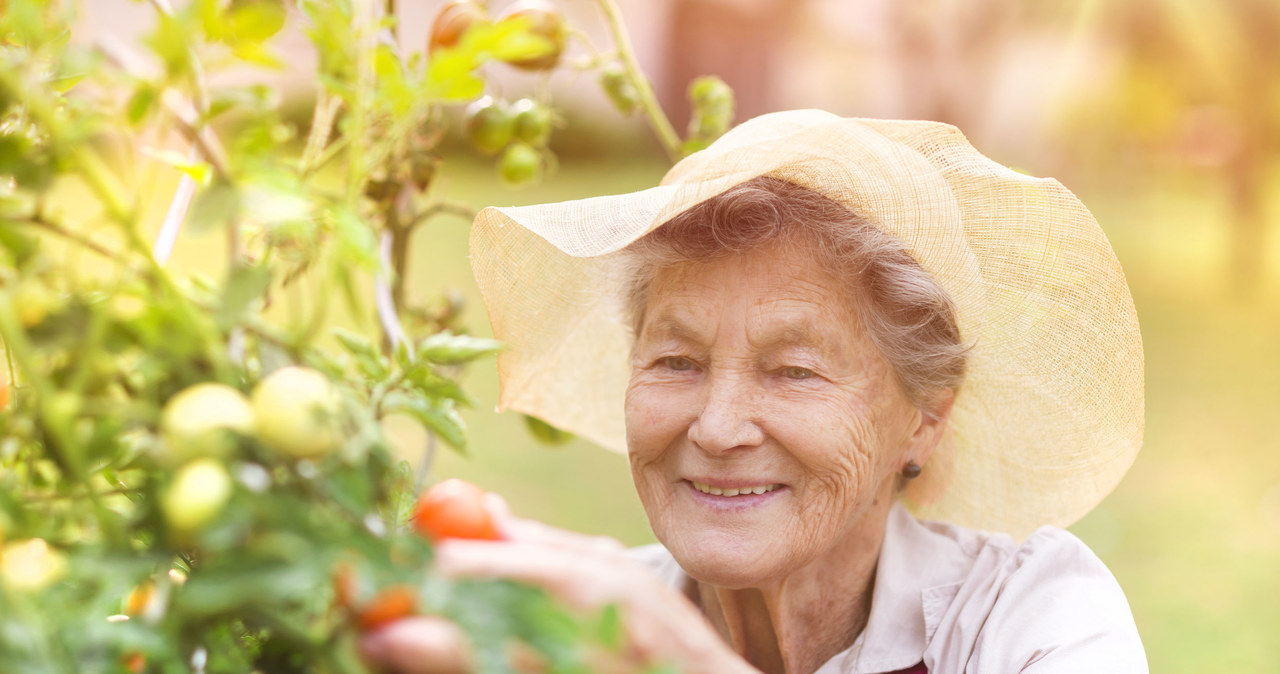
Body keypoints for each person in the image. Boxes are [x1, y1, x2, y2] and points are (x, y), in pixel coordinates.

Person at [360, 110, 1148, 673]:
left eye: (793, 371)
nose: (718, 425)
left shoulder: (1031, 620)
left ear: (924, 419)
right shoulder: (575, 634)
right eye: (676, 360)